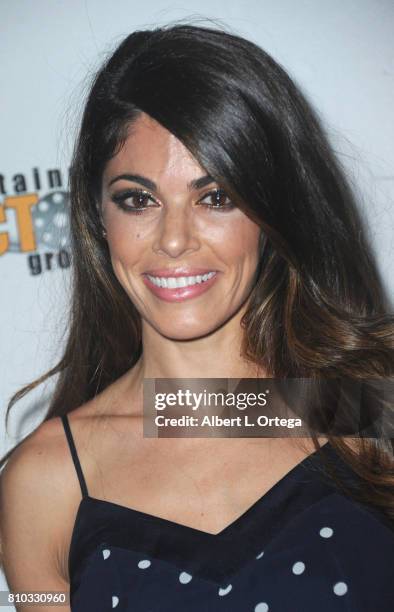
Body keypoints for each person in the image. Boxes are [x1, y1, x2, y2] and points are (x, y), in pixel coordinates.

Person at [0, 22, 393, 612]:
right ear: (96, 214)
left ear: (270, 210)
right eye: (138, 199)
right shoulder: (48, 480)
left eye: (216, 198)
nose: (175, 240)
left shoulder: (357, 408)